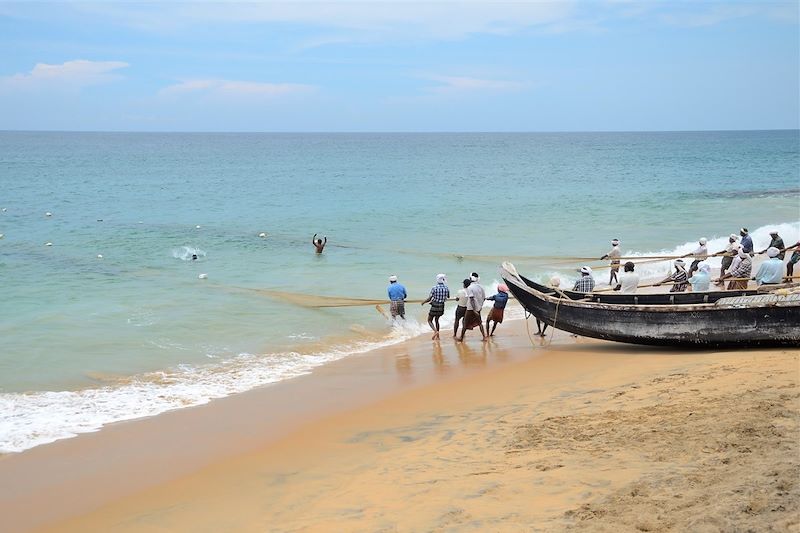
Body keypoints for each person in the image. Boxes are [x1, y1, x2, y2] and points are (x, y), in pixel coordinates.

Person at [459, 273, 486, 341]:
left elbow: (471, 299)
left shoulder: (470, 287)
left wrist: (474, 310)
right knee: (480, 323)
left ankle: (461, 338)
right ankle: (484, 337)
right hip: (478, 307)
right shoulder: (481, 287)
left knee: (465, 323)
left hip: (471, 308)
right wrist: (479, 306)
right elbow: (483, 297)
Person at [421, 273, 450, 339]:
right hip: (441, 306)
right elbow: (448, 296)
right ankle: (438, 336)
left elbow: (429, 298)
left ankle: (435, 331)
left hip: (435, 305)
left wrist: (423, 302)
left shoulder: (434, 288)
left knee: (429, 320)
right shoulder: (446, 288)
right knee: (437, 320)